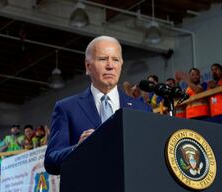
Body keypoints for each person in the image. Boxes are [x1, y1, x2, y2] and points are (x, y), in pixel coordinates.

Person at [44, 36, 149, 175]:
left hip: (132, 191)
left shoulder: (141, 109)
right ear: (88, 66)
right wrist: (78, 149)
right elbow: (51, 161)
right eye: (103, 59)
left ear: (121, 64)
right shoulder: (67, 108)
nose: (110, 65)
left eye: (115, 59)